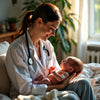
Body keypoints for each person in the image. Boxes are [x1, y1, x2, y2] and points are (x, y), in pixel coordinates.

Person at [5, 3, 96, 100]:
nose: (53, 34)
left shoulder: (47, 45)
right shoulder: (17, 49)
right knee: (71, 98)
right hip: (30, 95)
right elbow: (25, 89)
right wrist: (59, 87)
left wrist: (64, 78)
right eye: (51, 29)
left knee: (84, 84)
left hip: (50, 88)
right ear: (39, 21)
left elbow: (57, 69)